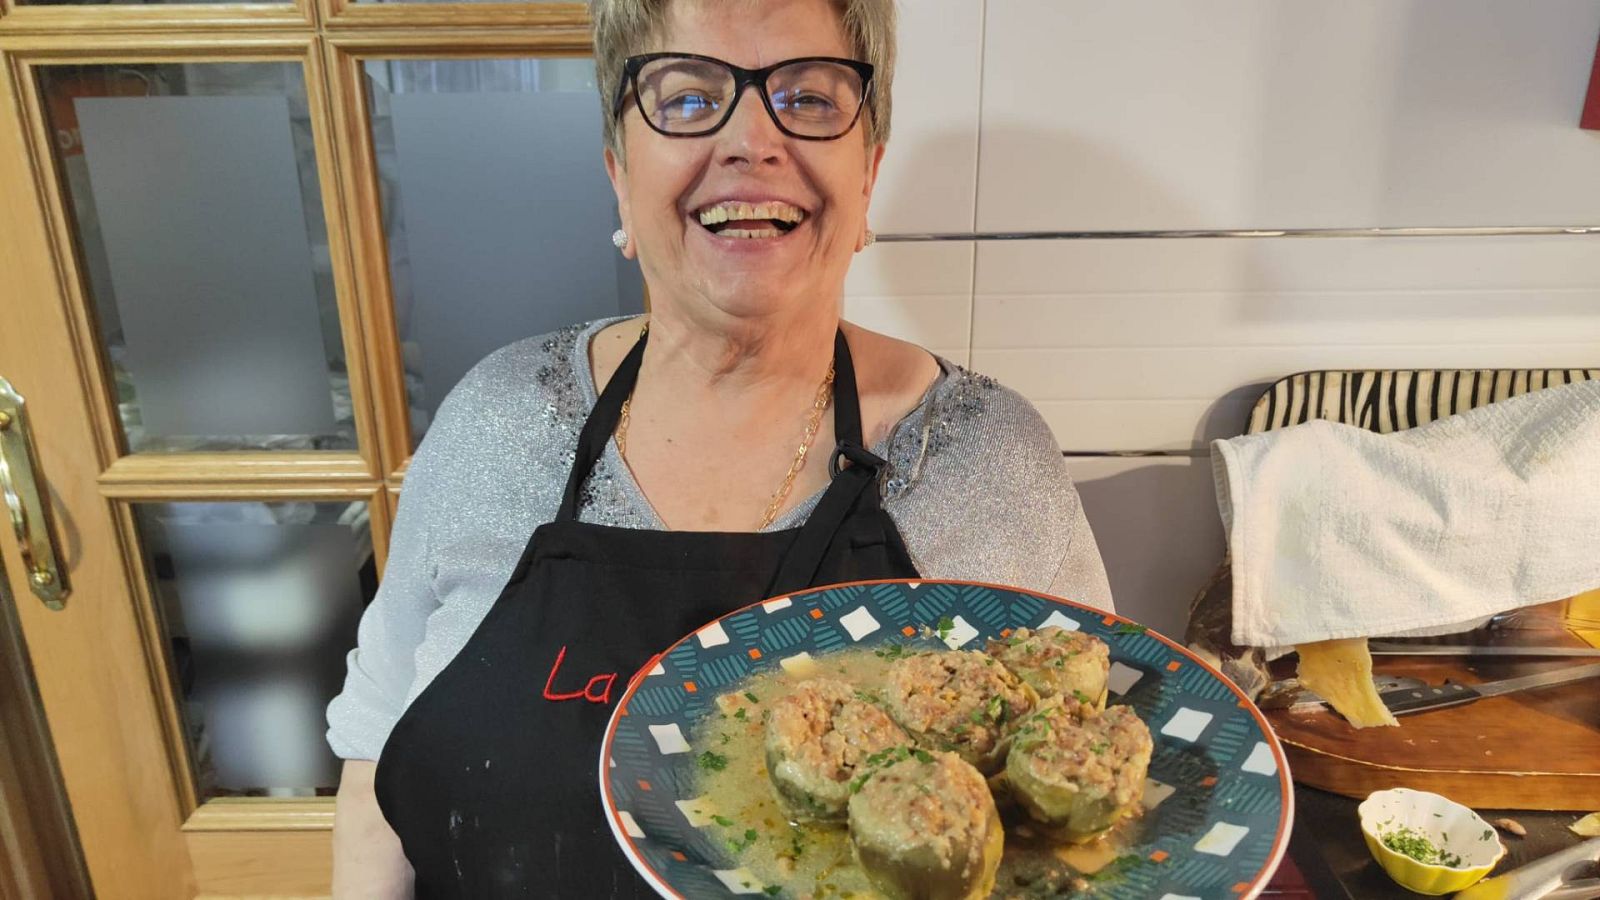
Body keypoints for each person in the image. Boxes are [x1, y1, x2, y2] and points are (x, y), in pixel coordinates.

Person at [326, 0, 1114, 895]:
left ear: (867, 175)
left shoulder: (985, 458)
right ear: (620, 172)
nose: (750, 141)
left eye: (808, 98)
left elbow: (1084, 833)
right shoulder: (497, 421)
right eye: (689, 99)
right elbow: (375, 766)